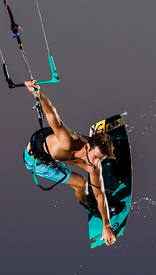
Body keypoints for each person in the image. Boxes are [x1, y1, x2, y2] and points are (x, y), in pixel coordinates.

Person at [22, 80, 117, 246]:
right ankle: (89, 206)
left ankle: (88, 202)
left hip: (56, 153)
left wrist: (106, 225)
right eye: (96, 157)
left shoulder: (93, 164)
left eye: (100, 159)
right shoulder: (67, 142)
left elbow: (100, 193)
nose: (96, 163)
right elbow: (52, 115)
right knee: (81, 182)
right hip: (37, 160)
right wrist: (38, 93)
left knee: (90, 182)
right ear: (88, 146)